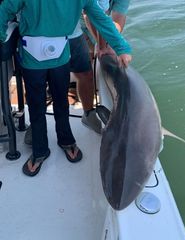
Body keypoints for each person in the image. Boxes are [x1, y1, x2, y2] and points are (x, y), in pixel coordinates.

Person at [0, 0, 132, 177]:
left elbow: (100, 18)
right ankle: (40, 151)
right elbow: (5, 10)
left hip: (61, 54)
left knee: (61, 101)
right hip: (31, 57)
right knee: (36, 104)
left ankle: (66, 140)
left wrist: (121, 47)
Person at [24, 22, 102, 146]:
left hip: (74, 34)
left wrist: (115, 45)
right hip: (38, 36)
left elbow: (93, 11)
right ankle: (36, 127)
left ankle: (88, 114)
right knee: (37, 84)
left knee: (83, 76)